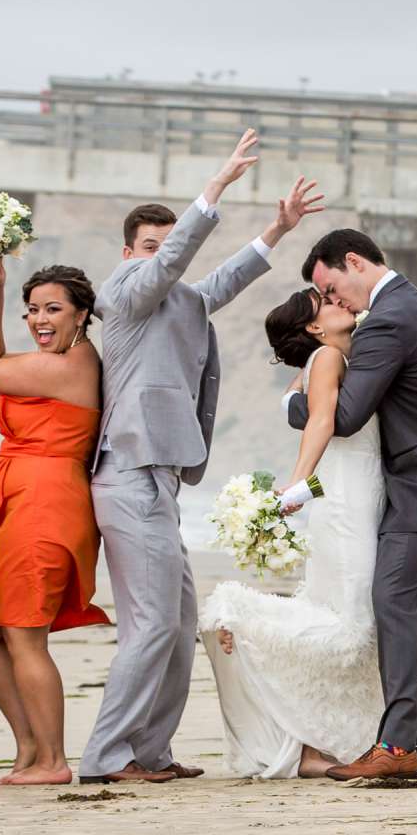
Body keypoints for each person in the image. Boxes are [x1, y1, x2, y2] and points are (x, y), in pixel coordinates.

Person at [77, 128, 324, 785]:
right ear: (129, 252)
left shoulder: (180, 301)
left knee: (179, 620)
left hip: (162, 483)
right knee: (152, 623)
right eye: (152, 248)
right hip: (127, 476)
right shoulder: (124, 294)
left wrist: (276, 232)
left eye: (167, 247)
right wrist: (213, 190)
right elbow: (173, 261)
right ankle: (107, 757)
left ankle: (150, 752)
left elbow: (219, 280)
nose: (164, 259)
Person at [286, 228, 417, 782]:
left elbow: (344, 416)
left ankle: (397, 746)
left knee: (396, 605)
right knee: (414, 619)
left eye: (331, 286)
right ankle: (416, 742)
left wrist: (293, 403)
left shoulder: (388, 319)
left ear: (353, 261)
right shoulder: (413, 302)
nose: (336, 301)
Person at [198, 290, 388, 778]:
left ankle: (306, 742)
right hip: (345, 497)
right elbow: (321, 421)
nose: (340, 300)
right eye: (325, 302)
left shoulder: (340, 355)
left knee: (343, 612)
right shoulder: (327, 356)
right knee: (353, 626)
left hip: (348, 489)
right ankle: (242, 618)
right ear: (314, 329)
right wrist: (297, 483)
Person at [0, 259, 110, 786]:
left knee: (25, 635)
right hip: (20, 501)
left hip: (46, 504)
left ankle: (53, 761)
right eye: (32, 311)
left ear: (82, 314)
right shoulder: (53, 358)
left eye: (53, 310)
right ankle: (29, 745)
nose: (40, 320)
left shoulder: (74, 364)